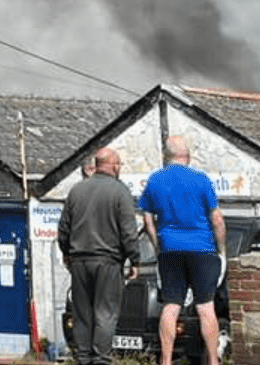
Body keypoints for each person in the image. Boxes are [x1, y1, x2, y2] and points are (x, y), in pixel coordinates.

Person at [138, 135, 226, 365]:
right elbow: (217, 219)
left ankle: (166, 360)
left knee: (171, 306)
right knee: (206, 307)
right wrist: (222, 250)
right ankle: (213, 360)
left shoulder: (155, 180)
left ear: (166, 156)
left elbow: (147, 220)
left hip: (170, 249)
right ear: (188, 155)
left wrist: (158, 246)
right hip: (202, 249)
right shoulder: (201, 179)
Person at [58, 147, 140, 365]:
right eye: (119, 164)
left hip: (79, 261)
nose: (120, 168)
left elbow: (63, 229)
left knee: (82, 314)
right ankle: (101, 359)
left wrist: (66, 253)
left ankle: (83, 358)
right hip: (107, 261)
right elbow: (128, 231)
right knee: (105, 313)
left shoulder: (76, 191)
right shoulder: (120, 192)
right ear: (112, 165)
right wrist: (135, 259)